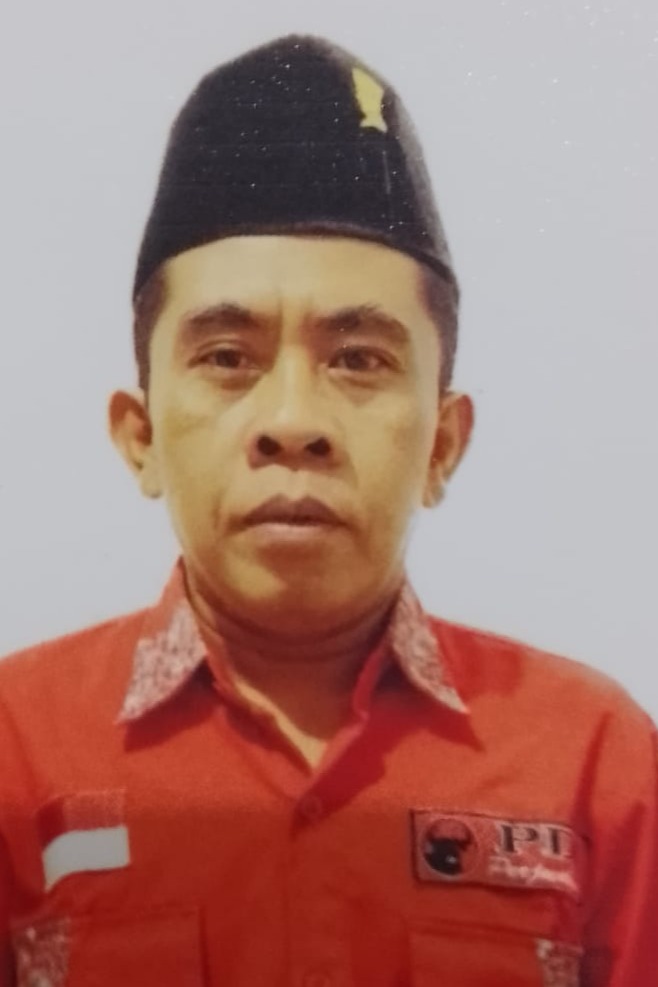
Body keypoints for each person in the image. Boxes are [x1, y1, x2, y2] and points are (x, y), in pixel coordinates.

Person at [0, 34, 655, 987]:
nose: (294, 422)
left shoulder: (596, 762)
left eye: (358, 360)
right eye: (228, 356)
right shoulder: (16, 751)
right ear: (140, 435)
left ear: (442, 442)